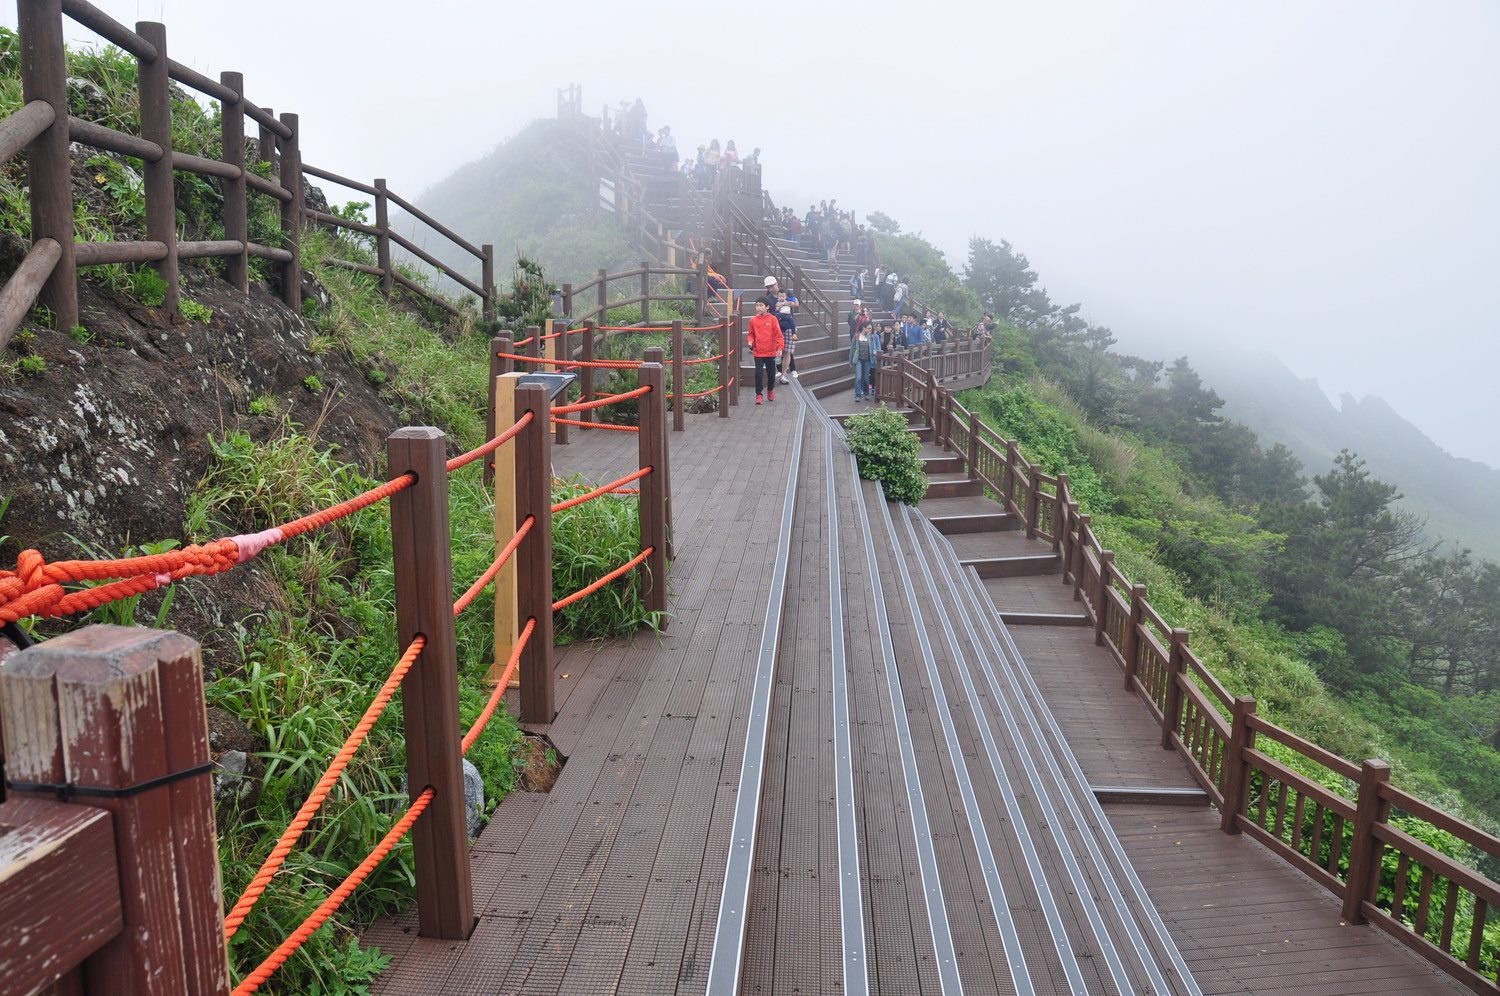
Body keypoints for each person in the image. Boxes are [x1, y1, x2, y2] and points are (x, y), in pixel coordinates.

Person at [747, 297, 784, 404]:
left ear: (767, 307)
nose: (758, 307)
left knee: (771, 374)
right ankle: (759, 395)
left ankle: (770, 390)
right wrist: (750, 341)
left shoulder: (773, 319)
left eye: (761, 305)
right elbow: (751, 334)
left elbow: (779, 335)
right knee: (758, 374)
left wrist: (780, 347)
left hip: (771, 352)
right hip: (758, 352)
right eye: (757, 305)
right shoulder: (753, 320)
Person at [775, 290, 798, 383]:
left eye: (783, 296)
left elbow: (796, 302)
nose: (781, 297)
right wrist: (778, 308)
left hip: (788, 326)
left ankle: (783, 373)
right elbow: (775, 311)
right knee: (778, 351)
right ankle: (779, 370)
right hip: (779, 328)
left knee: (787, 352)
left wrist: (786, 302)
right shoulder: (776, 302)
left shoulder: (788, 300)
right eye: (780, 296)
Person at [851, 322, 877, 402]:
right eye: (868, 328)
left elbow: (874, 347)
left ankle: (866, 393)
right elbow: (852, 350)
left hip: (867, 360)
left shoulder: (871, 337)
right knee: (858, 378)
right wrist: (851, 361)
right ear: (864, 328)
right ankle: (857, 395)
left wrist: (874, 352)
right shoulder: (856, 336)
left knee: (866, 378)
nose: (869, 330)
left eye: (870, 329)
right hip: (858, 360)